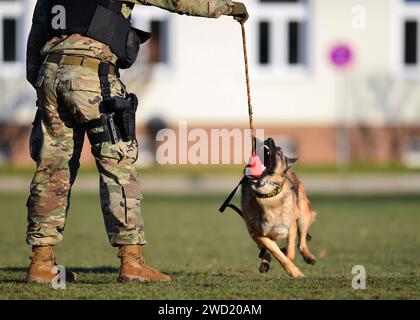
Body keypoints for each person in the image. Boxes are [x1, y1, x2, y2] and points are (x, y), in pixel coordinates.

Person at [25, 0, 249, 284]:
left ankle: (41, 263)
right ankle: (132, 263)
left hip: (50, 73)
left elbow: (36, 34)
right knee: (118, 166)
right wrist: (228, 7)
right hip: (92, 73)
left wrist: (41, 81)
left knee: (51, 171)